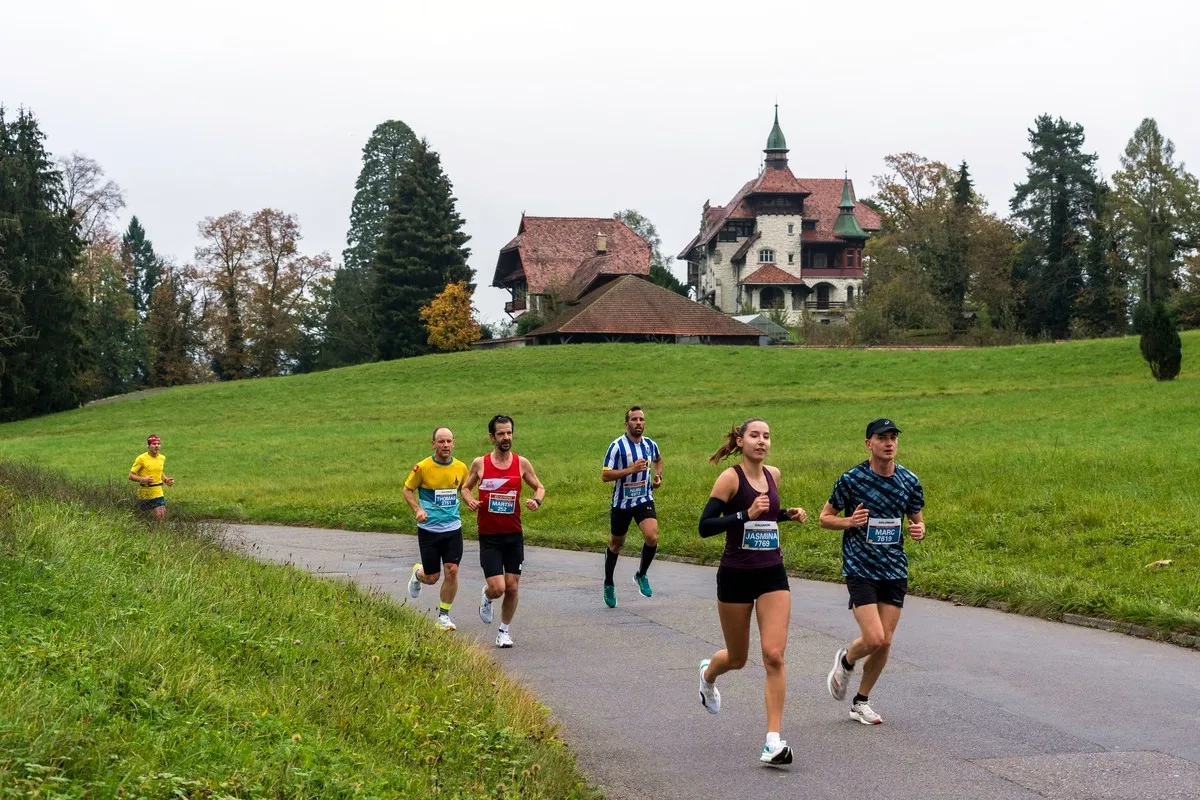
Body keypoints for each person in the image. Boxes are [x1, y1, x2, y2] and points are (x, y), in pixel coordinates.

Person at [696, 418, 807, 766]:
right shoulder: (730, 478)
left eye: (767, 436)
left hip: (772, 573)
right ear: (741, 441)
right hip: (735, 575)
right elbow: (705, 527)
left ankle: (772, 741)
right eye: (755, 435)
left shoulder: (773, 474)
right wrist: (744, 513)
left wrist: (787, 514)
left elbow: (767, 516)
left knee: (773, 655)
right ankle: (708, 675)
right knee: (738, 658)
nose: (761, 441)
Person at [819, 418, 926, 725]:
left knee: (886, 641)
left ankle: (860, 702)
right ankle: (847, 659)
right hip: (860, 566)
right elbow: (825, 518)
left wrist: (918, 530)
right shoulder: (852, 480)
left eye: (893, 437)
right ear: (869, 444)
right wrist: (850, 522)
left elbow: (918, 520)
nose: (889, 443)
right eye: (882, 438)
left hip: (894, 568)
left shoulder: (909, 480)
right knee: (875, 637)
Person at [462, 415, 545, 648]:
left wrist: (536, 501)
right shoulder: (480, 463)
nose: (506, 437)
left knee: (512, 586)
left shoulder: (521, 463)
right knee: (497, 587)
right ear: (492, 437)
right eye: (501, 434)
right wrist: (470, 500)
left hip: (513, 534)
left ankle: (503, 631)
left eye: (509, 433)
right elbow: (466, 488)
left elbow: (539, 487)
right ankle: (487, 597)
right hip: (489, 536)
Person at [405, 426, 470, 631]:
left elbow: (465, 490)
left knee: (452, 570)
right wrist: (417, 509)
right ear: (433, 444)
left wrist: (472, 502)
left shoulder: (461, 467)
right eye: (441, 441)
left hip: (453, 529)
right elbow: (407, 490)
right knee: (432, 578)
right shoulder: (422, 467)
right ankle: (418, 574)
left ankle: (443, 616)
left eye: (449, 441)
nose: (445, 445)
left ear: (454, 443)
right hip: (429, 530)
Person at [600, 406, 663, 608]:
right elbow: (605, 475)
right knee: (616, 544)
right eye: (634, 419)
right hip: (621, 504)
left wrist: (658, 475)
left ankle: (641, 574)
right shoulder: (617, 446)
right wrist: (630, 470)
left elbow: (658, 460)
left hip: (644, 499)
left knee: (652, 537)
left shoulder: (650, 444)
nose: (639, 423)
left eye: (641, 419)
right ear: (626, 424)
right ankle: (609, 583)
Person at [129, 435, 175, 520]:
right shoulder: (141, 458)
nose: (157, 446)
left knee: (161, 516)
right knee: (144, 519)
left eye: (158, 444)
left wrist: (166, 480)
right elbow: (131, 475)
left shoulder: (162, 458)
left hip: (158, 491)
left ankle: (161, 532)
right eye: (154, 444)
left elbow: (159, 471)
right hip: (145, 492)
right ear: (148, 446)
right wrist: (143, 479)